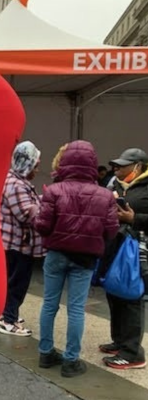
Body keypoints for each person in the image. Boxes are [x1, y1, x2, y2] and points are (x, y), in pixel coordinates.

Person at [35, 141, 118, 378]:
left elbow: (42, 225)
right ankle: (71, 361)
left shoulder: (53, 191)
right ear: (93, 163)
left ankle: (45, 353)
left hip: (56, 255)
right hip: (84, 259)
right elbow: (111, 230)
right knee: (76, 310)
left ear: (65, 162)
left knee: (49, 304)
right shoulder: (105, 195)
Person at [99, 147, 148, 370]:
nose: (116, 169)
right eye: (115, 165)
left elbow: (135, 217)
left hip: (137, 249)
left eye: (122, 165)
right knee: (115, 292)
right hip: (115, 246)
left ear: (137, 167)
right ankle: (119, 341)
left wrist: (134, 218)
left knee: (131, 297)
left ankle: (133, 353)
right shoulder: (117, 185)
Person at [0, 141, 44, 336]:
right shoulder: (16, 184)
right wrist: (48, 203)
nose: (37, 169)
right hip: (18, 244)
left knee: (10, 281)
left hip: (13, 242)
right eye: (36, 165)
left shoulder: (13, 180)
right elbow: (26, 214)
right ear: (27, 164)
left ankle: (6, 313)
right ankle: (10, 321)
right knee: (17, 283)